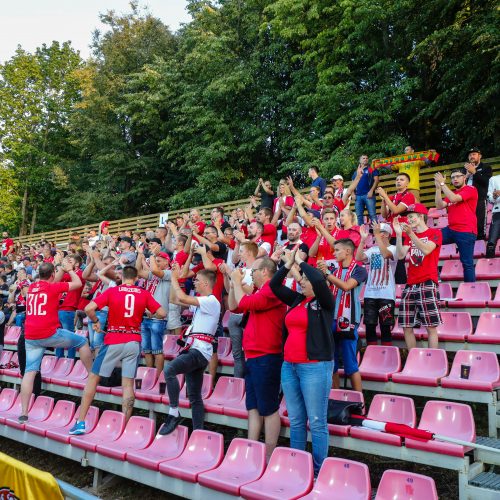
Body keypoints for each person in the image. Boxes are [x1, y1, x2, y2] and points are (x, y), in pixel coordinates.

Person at [69, 266, 166, 434]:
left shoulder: (113, 290)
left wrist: (96, 322)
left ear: (122, 277)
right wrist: (147, 314)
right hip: (134, 340)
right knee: (128, 384)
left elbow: (88, 308)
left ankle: (81, 422)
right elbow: (162, 313)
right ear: (136, 278)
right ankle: (125, 426)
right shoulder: (143, 293)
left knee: (93, 378)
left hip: (114, 337)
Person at [269, 247, 334, 476]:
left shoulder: (325, 302)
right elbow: (274, 286)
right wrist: (287, 265)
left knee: (316, 421)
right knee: (296, 420)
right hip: (290, 366)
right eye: (302, 279)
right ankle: (297, 467)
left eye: (305, 280)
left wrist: (299, 261)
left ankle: (318, 472)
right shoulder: (298, 299)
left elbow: (317, 276)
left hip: (314, 366)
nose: (302, 283)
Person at [19, 261, 93, 423]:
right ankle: (92, 375)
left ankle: (24, 413)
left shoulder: (32, 288)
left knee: (30, 371)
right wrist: (69, 269)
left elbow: (51, 279)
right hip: (49, 332)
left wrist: (57, 271)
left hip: (31, 335)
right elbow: (78, 283)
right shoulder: (53, 287)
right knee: (82, 341)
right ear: (52, 275)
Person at [229, 257, 287, 459]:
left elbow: (245, 302)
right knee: (253, 406)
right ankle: (252, 449)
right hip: (252, 354)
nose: (250, 274)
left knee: (269, 407)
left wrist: (237, 282)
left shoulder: (274, 289)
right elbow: (233, 307)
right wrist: (232, 284)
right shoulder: (260, 290)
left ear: (264, 271)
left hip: (267, 355)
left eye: (253, 270)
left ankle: (270, 455)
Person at [159, 266, 220, 435]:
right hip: (197, 350)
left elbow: (180, 295)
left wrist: (173, 277)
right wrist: (176, 280)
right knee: (194, 396)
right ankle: (198, 433)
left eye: (197, 280)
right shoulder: (203, 302)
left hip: (199, 351)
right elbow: (174, 298)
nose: (195, 282)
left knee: (169, 369)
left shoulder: (211, 301)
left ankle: (173, 412)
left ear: (206, 283)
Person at [320, 239, 367, 392]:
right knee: (331, 361)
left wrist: (327, 274)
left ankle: (359, 402)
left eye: (337, 250)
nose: (334, 253)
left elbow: (346, 287)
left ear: (348, 251)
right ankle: (335, 397)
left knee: (350, 364)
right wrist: (322, 275)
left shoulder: (359, 270)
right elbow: (325, 288)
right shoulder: (335, 272)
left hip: (348, 320)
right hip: (331, 319)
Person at [394, 205, 442, 349]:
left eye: (411, 216)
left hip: (427, 282)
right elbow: (401, 255)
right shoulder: (410, 236)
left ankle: (432, 360)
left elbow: (427, 250)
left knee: (430, 327)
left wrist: (411, 234)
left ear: (421, 216)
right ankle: (412, 360)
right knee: (406, 326)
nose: (408, 220)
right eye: (407, 217)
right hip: (410, 284)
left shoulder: (435, 232)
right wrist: (398, 234)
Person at [355, 222, 397, 345]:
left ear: (388, 235)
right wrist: (363, 241)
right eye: (376, 233)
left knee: (385, 327)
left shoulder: (394, 249)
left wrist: (377, 235)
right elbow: (358, 258)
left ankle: (386, 355)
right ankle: (371, 354)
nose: (377, 235)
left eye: (381, 232)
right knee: (370, 326)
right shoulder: (372, 249)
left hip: (387, 294)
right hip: (370, 293)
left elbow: (385, 254)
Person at [434, 169, 478, 282]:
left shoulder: (470, 189)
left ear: (464, 177)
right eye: (453, 177)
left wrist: (443, 184)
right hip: (451, 229)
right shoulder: (452, 192)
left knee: (467, 263)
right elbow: (439, 206)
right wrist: (438, 189)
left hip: (466, 231)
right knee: (431, 240)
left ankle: (470, 291)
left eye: (458, 176)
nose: (455, 179)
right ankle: (433, 274)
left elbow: (454, 199)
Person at [136, 246, 171, 380]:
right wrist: (140, 255)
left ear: (167, 262)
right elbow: (138, 271)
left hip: (158, 317)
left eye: (159, 260)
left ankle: (159, 377)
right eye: (156, 260)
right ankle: (150, 375)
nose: (156, 263)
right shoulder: (153, 274)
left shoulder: (169, 273)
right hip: (146, 316)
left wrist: (151, 255)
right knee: (147, 350)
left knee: (157, 349)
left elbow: (155, 270)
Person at [377, 172, 415, 284]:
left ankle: (401, 286)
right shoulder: (392, 197)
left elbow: (396, 210)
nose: (398, 181)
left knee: (398, 261)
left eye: (402, 180)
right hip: (390, 232)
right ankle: (390, 285)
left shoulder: (409, 195)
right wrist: (383, 200)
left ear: (407, 184)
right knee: (389, 260)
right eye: (397, 179)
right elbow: (384, 214)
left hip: (401, 233)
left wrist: (385, 197)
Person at [464, 147, 492, 241]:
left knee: (480, 224)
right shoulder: (464, 169)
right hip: (465, 201)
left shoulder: (486, 168)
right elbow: (457, 185)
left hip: (479, 199)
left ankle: (480, 248)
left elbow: (487, 182)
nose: (472, 156)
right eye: (470, 155)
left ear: (480, 156)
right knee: (467, 224)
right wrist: (465, 177)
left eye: (474, 154)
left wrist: (474, 172)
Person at [352, 154, 379, 225]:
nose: (365, 159)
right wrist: (352, 194)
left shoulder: (371, 168)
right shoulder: (356, 172)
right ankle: (360, 233)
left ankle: (376, 232)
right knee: (359, 216)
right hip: (358, 196)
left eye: (367, 158)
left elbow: (376, 180)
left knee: (372, 214)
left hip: (368, 194)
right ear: (359, 160)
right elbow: (353, 183)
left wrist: (371, 191)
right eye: (363, 158)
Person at [486, 174, 500, 258]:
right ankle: (488, 266)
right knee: (491, 242)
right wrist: (494, 197)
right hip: (498, 212)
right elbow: (490, 198)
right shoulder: (493, 179)